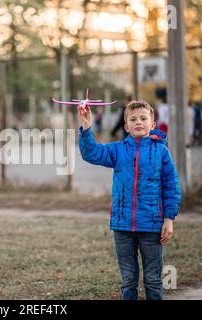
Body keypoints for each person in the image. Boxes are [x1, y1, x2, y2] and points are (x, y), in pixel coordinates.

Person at [78, 100, 181, 300]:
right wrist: (86, 126)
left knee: (152, 279)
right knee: (128, 280)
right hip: (122, 226)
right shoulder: (118, 150)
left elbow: (171, 186)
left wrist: (169, 218)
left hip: (152, 226)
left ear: (153, 124)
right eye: (133, 119)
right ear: (126, 126)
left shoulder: (160, 152)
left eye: (143, 118)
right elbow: (91, 153)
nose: (138, 122)